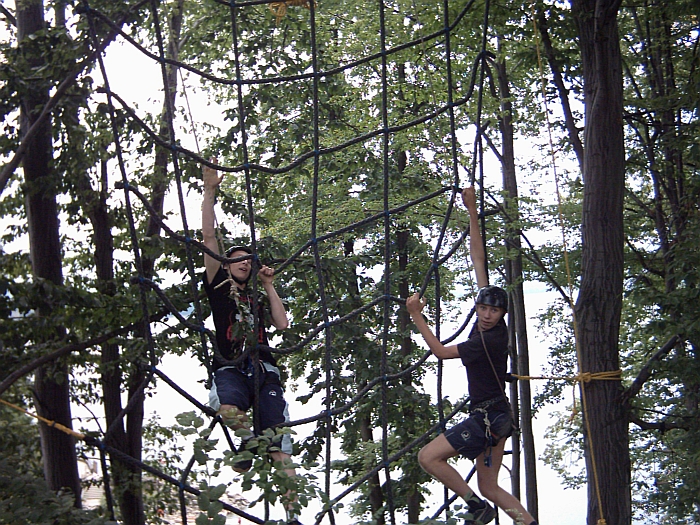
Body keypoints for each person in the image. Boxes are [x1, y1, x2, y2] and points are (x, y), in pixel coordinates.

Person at [406, 186, 537, 525]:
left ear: (503, 314)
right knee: (490, 486)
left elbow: (438, 351)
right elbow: (479, 258)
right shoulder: (490, 324)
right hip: (499, 417)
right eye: (482, 307)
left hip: (487, 419)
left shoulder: (487, 341)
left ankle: (475, 507)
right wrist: (472, 210)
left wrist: (416, 314)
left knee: (428, 457)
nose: (486, 314)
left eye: (493, 311)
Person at [201, 158, 303, 525]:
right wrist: (210, 191)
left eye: (249, 259)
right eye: (237, 259)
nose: (244, 262)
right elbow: (210, 239)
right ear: (226, 266)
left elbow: (283, 325)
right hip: (230, 365)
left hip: (263, 367)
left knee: (280, 448)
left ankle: (291, 515)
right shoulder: (219, 290)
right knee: (228, 409)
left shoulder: (257, 297)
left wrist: (269, 285)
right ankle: (248, 441)